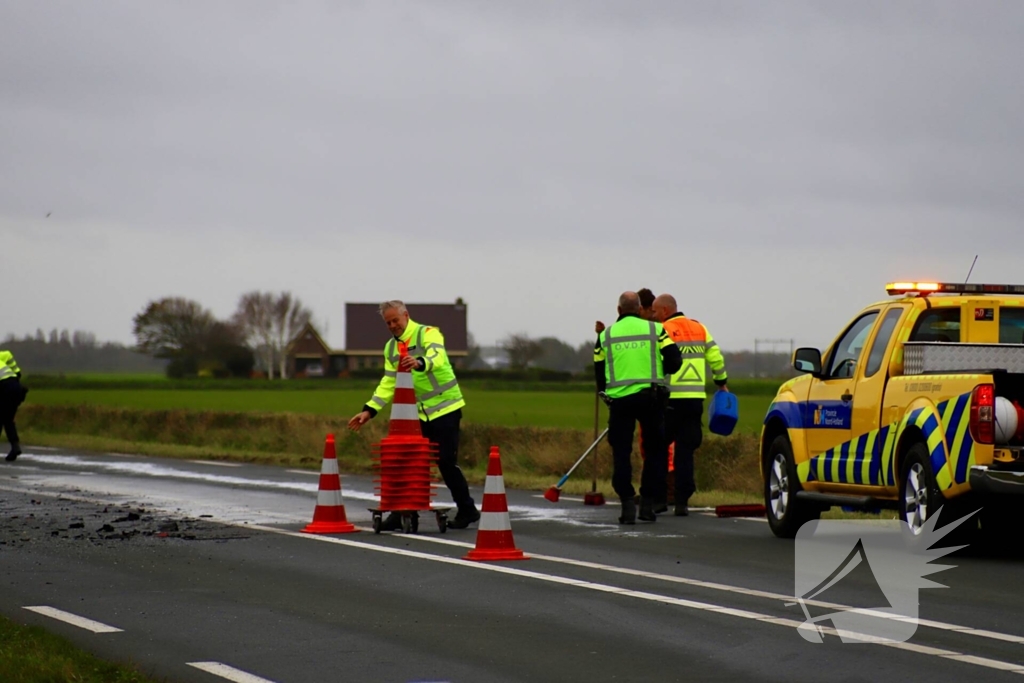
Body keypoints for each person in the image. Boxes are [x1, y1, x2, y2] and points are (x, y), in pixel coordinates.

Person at [348, 300, 481, 530]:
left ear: (406, 316)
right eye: (388, 322)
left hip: (446, 408)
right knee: (408, 462)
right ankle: (402, 514)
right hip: (417, 414)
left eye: (395, 320)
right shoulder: (391, 348)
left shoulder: (428, 333)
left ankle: (467, 509)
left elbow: (437, 357)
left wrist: (419, 362)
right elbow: (389, 382)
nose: (392, 325)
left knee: (446, 462)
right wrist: (369, 410)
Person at [594, 292, 682, 524]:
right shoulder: (656, 330)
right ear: (640, 309)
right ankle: (646, 504)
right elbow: (675, 361)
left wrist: (607, 394)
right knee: (655, 452)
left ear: (618, 310)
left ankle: (626, 504)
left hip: (619, 402)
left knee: (621, 452)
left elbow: (599, 374)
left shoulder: (606, 335)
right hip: (651, 399)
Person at [652, 293, 729, 516]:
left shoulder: (662, 330)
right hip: (694, 400)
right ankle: (681, 502)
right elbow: (716, 357)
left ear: (665, 310)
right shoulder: (699, 328)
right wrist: (721, 382)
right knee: (685, 452)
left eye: (656, 312)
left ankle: (658, 500)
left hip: (668, 400)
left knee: (658, 448)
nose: (654, 316)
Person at [0, 350, 27, 462]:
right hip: (17, 388)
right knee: (7, 419)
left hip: (4, 388)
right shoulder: (3, 355)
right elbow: (18, 373)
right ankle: (15, 446)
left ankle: (15, 447)